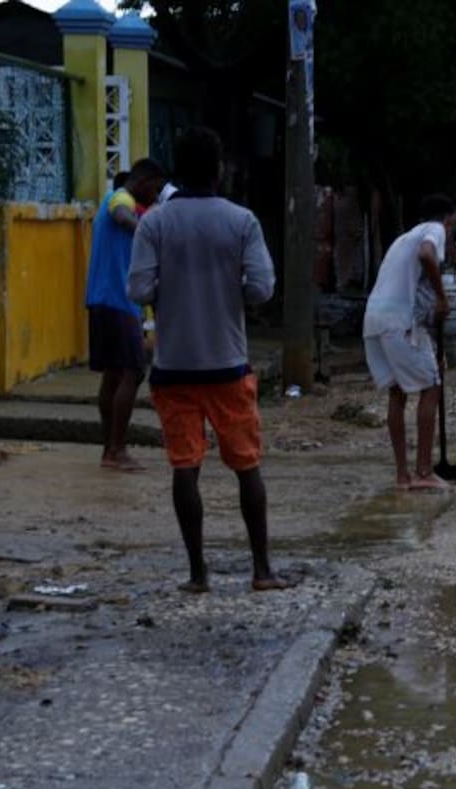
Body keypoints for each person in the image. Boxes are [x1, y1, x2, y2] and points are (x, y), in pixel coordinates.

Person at [128, 126, 286, 594]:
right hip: (228, 364)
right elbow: (261, 288)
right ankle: (261, 570)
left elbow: (137, 289)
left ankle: (198, 574)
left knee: (184, 466)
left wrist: (172, 293)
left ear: (176, 168)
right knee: (246, 466)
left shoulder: (154, 222)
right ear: (220, 170)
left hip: (173, 367)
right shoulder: (242, 221)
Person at [363, 194, 454, 492]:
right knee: (431, 386)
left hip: (374, 318)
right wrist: (443, 296)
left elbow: (415, 290)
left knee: (398, 392)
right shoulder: (435, 230)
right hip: (397, 321)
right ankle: (425, 471)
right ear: (447, 219)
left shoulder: (403, 238)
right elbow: (428, 255)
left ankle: (403, 476)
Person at [85, 158, 165, 471]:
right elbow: (121, 215)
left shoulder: (130, 204)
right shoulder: (120, 198)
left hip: (106, 299)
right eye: (155, 189)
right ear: (144, 180)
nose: (156, 196)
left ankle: (110, 449)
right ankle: (116, 450)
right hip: (117, 300)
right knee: (133, 371)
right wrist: (150, 232)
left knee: (115, 374)